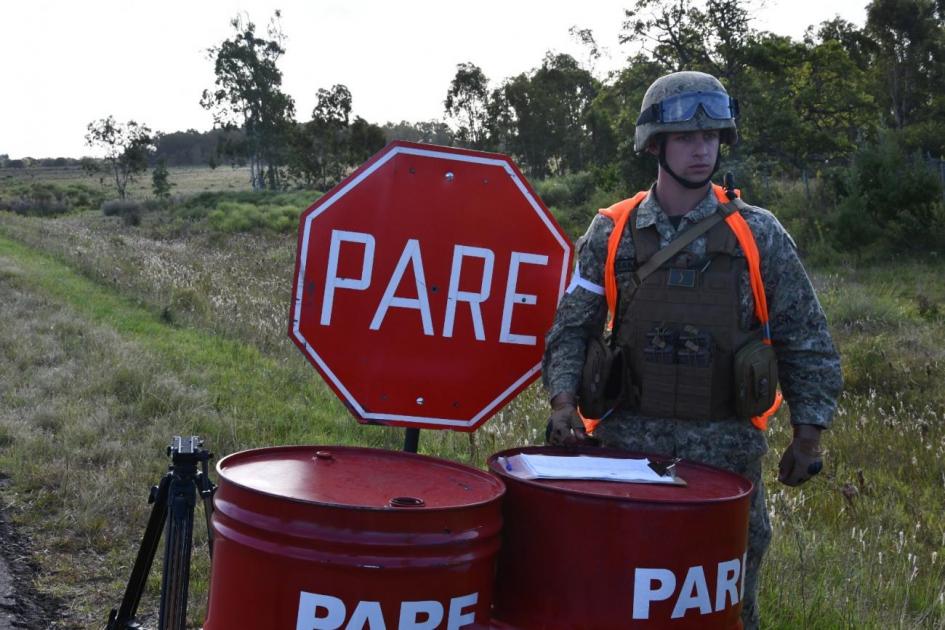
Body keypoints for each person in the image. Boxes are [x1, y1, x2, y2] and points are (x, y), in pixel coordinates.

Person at [540, 70, 842, 629]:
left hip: (727, 455)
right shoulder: (612, 231)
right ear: (656, 144)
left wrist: (809, 431)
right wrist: (562, 403)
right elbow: (571, 329)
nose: (702, 149)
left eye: (711, 137)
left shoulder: (760, 233)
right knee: (621, 596)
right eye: (685, 137)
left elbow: (805, 338)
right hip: (626, 451)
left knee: (722, 606)